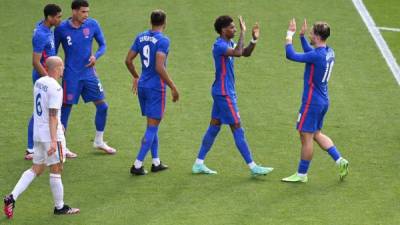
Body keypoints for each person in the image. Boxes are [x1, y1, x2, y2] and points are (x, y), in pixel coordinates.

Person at [191, 15, 273, 176]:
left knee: (214, 126)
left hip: (223, 91)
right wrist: (243, 32)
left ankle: (198, 164)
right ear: (223, 30)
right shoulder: (220, 45)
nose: (235, 29)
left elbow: (245, 53)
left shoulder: (227, 43)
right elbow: (237, 52)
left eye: (236, 27)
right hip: (224, 93)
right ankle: (253, 167)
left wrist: (254, 40)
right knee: (237, 127)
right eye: (232, 27)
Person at [4, 56, 80, 219]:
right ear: (57, 68)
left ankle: (12, 197)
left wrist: (58, 123)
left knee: (36, 168)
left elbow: (46, 110)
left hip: (38, 133)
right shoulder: (56, 88)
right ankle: (60, 207)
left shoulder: (39, 83)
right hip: (51, 135)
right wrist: (54, 139)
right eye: (62, 67)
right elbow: (52, 116)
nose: (63, 69)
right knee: (57, 169)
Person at [281, 18, 349, 183]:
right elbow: (310, 54)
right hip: (323, 100)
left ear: (318, 36)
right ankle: (340, 160)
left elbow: (291, 55)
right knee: (316, 133)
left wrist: (289, 34)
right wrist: (302, 37)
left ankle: (302, 174)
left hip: (311, 102)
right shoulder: (328, 51)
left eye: (312, 33)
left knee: (306, 137)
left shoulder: (316, 55)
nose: (310, 34)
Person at [54, 0, 116, 154]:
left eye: (87, 12)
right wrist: (56, 70)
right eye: (83, 12)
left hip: (89, 74)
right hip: (71, 76)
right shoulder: (61, 28)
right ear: (74, 11)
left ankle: (99, 141)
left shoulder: (92, 24)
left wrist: (96, 56)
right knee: (66, 109)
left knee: (103, 106)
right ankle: (62, 146)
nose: (86, 15)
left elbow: (103, 45)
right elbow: (53, 52)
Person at [126, 9, 179, 175]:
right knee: (152, 127)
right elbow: (159, 66)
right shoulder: (163, 40)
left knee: (152, 124)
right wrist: (173, 86)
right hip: (156, 87)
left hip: (143, 85)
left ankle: (155, 162)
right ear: (165, 22)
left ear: (151, 21)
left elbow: (128, 60)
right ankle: (137, 164)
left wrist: (136, 76)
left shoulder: (141, 36)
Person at [25, 4, 77, 160]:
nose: (60, 19)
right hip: (44, 76)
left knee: (45, 110)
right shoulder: (41, 34)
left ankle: (41, 146)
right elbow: (36, 61)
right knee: (40, 111)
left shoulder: (46, 28)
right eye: (58, 17)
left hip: (49, 74)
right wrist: (48, 79)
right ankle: (32, 148)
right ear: (49, 17)